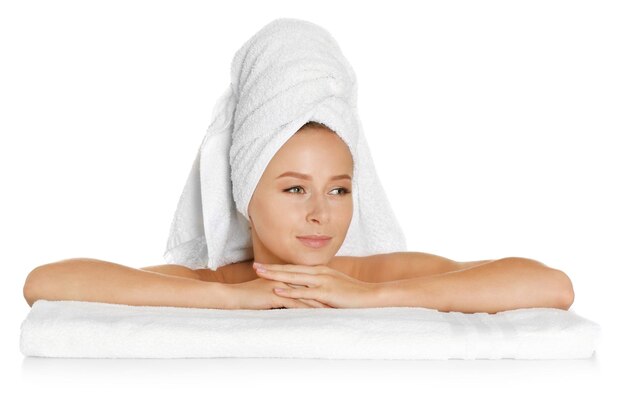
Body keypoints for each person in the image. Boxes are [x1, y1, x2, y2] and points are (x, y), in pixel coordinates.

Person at [22, 121, 575, 313]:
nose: (321, 213)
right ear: (245, 200)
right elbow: (43, 284)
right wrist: (233, 299)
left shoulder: (374, 276)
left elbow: (552, 286)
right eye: (294, 188)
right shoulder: (214, 282)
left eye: (338, 189)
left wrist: (369, 298)